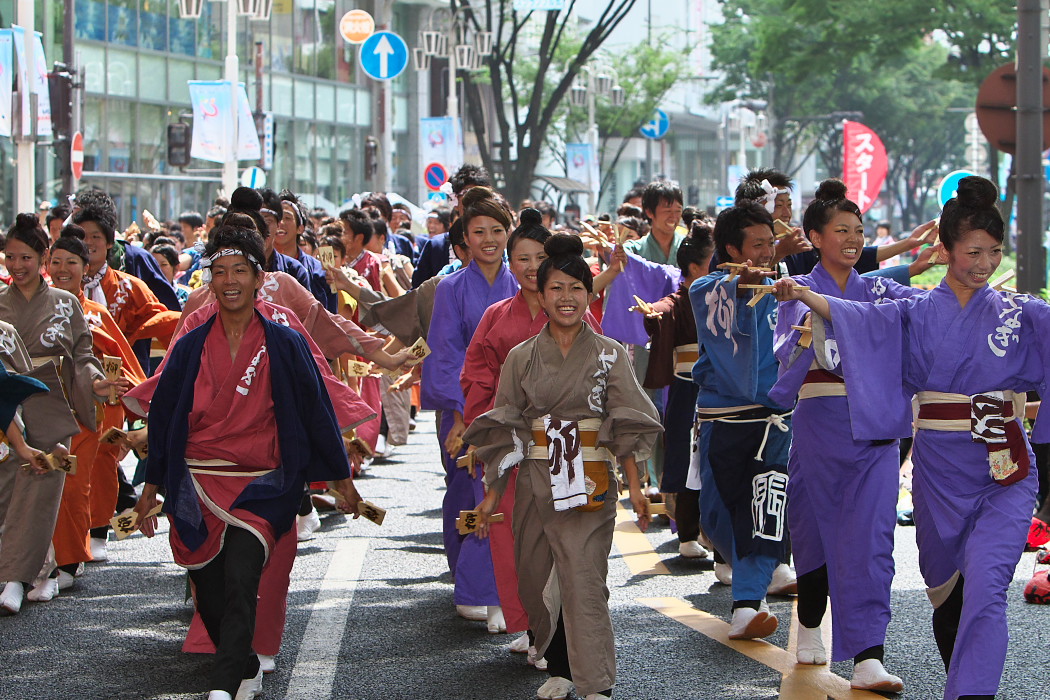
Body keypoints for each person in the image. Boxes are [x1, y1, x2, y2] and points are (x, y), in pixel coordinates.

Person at [772, 175, 1049, 700]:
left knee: (988, 586)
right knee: (946, 593)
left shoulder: (1022, 312)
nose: (985, 264)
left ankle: (962, 690)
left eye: (994, 252)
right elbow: (860, 319)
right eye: (973, 251)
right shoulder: (912, 310)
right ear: (945, 250)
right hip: (939, 469)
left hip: (1005, 465)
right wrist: (807, 294)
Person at [131, 224, 365, 700]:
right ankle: (241, 663)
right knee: (207, 584)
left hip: (265, 481)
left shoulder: (284, 341)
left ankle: (222, 686)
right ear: (209, 281)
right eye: (219, 271)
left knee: (241, 572)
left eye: (240, 270)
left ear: (260, 279)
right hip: (196, 481)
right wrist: (151, 489)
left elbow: (317, 413)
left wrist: (344, 482)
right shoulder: (192, 344)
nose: (230, 279)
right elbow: (166, 416)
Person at [465, 233, 662, 700]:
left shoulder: (610, 353)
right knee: (535, 578)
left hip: (590, 480)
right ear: (542, 292)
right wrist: (491, 497)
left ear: (589, 293)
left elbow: (628, 422)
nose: (567, 297)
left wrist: (636, 489)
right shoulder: (520, 357)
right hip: (535, 481)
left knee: (582, 578)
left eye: (576, 288)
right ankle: (560, 665)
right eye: (556, 288)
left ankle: (595, 683)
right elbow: (505, 426)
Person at [767, 179, 934, 691]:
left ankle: (867, 655)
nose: (853, 238)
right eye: (841, 230)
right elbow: (787, 360)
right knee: (816, 530)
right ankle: (811, 619)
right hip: (821, 428)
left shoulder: (880, 288)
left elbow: (926, 310)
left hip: (877, 430)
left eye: (859, 230)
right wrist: (805, 322)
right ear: (815, 237)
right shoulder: (794, 293)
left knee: (872, 540)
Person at [460, 208, 601, 663]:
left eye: (539, 257)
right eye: (520, 258)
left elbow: (599, 371)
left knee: (564, 538)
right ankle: (529, 622)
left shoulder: (573, 311)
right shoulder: (496, 316)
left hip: (563, 443)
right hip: (510, 442)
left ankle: (560, 629)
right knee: (514, 536)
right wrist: (482, 429)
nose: (529, 267)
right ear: (510, 261)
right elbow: (477, 376)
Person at [0, 213, 126, 613]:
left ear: (42, 257)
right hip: (5, 410)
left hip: (51, 406)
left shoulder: (66, 304)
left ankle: (17, 580)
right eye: (9, 257)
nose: (17, 266)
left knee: (39, 491)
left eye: (25, 257)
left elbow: (83, 357)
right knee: (7, 495)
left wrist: (97, 385)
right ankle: (30, 570)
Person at [689, 202, 795, 640]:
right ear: (731, 247)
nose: (768, 252)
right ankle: (758, 566)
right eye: (758, 244)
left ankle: (747, 604)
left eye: (771, 243)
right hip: (723, 418)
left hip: (774, 420)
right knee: (715, 516)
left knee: (764, 510)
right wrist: (739, 285)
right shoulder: (708, 287)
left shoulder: (785, 284)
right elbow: (713, 294)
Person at [423, 186, 519, 630]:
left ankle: (498, 587)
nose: (488, 239)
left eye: (497, 230)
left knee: (509, 497)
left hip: (516, 407)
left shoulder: (524, 283)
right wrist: (459, 416)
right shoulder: (450, 289)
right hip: (465, 408)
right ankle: (470, 583)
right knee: (467, 491)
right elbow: (444, 354)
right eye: (478, 231)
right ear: (464, 236)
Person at [47, 226, 147, 584]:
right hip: (41, 408)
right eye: (55, 260)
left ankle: (91, 538)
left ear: (84, 268)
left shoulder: (95, 313)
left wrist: (136, 396)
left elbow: (122, 358)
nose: (62, 268)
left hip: (95, 406)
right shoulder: (27, 306)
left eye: (71, 261)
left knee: (90, 473)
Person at [641, 218, 715, 559]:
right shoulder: (678, 300)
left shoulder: (724, 293)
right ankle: (688, 535)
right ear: (695, 267)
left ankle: (715, 540)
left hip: (722, 385)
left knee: (718, 460)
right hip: (689, 388)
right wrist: (653, 313)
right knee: (690, 459)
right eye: (713, 262)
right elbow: (662, 309)